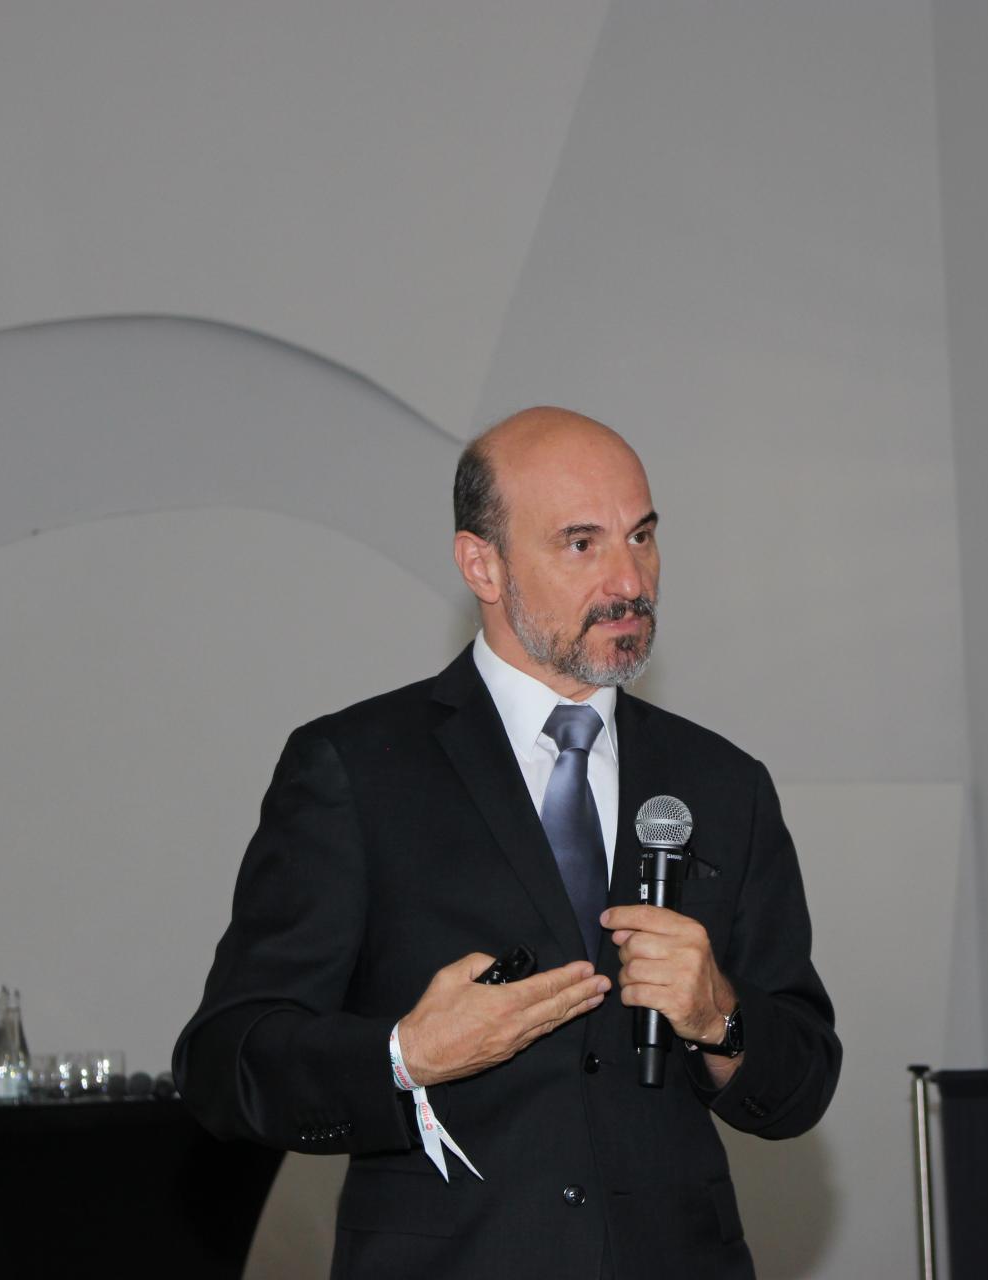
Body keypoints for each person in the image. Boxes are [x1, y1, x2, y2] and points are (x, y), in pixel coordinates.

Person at [174, 407, 840, 1279]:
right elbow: (226, 1064)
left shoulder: (722, 783)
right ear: (481, 565)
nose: (629, 580)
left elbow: (802, 1083)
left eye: (641, 537)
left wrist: (721, 1015)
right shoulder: (357, 769)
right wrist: (405, 1055)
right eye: (581, 544)